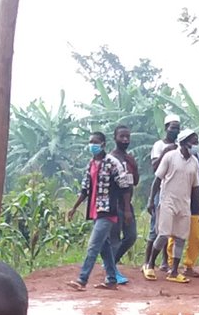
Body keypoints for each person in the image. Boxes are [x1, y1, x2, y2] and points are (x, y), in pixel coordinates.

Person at [66, 130, 130, 290]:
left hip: (108, 211)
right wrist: (74, 207)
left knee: (93, 245)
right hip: (95, 211)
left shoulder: (112, 163)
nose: (92, 145)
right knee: (104, 246)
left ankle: (82, 280)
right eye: (90, 142)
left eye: (95, 142)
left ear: (103, 144)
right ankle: (111, 279)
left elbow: (125, 187)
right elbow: (85, 189)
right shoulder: (91, 164)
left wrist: (127, 210)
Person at [151, 131, 199, 283]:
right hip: (168, 200)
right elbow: (157, 179)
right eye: (194, 141)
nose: (196, 145)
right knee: (163, 235)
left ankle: (174, 271)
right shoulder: (170, 156)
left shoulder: (195, 162)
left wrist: (198, 208)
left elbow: (196, 187)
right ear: (185, 142)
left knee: (180, 237)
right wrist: (150, 200)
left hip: (184, 204)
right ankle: (150, 263)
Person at [141, 115, 184, 279]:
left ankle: (165, 263)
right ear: (166, 128)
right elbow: (155, 168)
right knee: (156, 228)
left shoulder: (180, 147)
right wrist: (167, 152)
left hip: (175, 192)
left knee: (169, 228)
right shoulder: (159, 145)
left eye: (178, 127)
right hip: (161, 190)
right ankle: (147, 262)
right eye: (173, 127)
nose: (175, 130)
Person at [108, 125, 142, 285]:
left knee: (131, 236)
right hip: (114, 204)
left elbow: (135, 181)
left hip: (127, 204)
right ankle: (112, 271)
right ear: (115, 138)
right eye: (122, 136)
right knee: (114, 239)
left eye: (127, 137)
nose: (125, 140)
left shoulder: (130, 158)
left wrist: (132, 166)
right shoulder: (110, 159)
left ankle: (111, 264)